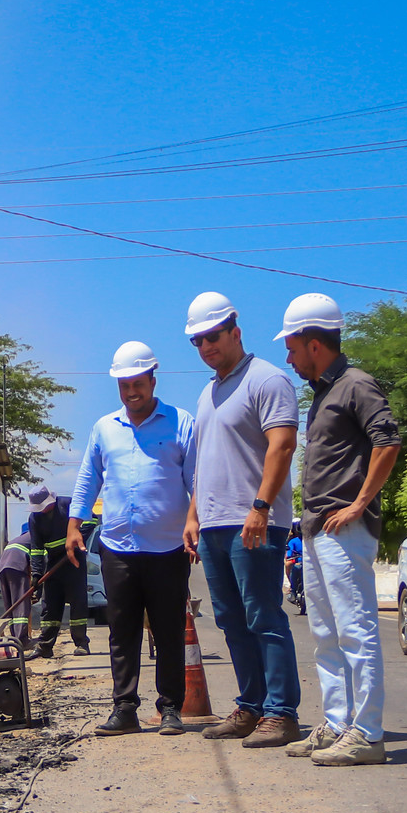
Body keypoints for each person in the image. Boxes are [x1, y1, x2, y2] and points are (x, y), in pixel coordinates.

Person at [280, 294, 402, 767]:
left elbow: (387, 440)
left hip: (343, 528)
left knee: (356, 631)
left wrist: (360, 503)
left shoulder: (356, 385)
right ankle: (335, 724)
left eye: (292, 348)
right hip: (315, 529)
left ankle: (368, 734)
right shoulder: (325, 392)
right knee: (326, 632)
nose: (288, 359)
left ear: (314, 343)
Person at [180, 293, 305, 747]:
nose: (206, 346)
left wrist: (261, 507)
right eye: (197, 340)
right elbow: (204, 463)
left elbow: (283, 445)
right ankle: (251, 706)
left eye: (213, 336)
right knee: (231, 619)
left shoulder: (267, 379)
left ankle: (281, 712)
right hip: (214, 525)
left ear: (235, 330)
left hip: (254, 521)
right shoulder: (208, 392)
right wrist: (193, 517)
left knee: (264, 615)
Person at [67, 341, 196, 735]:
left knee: (168, 629)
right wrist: (75, 524)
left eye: (137, 384)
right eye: (124, 386)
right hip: (118, 548)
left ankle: (171, 707)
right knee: (121, 632)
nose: (131, 392)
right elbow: (89, 478)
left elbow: (199, 480)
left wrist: (194, 521)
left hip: (168, 548)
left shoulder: (181, 422)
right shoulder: (105, 428)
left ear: (152, 380)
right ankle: (124, 709)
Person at [27, 486, 91, 658]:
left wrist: (77, 537)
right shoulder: (35, 519)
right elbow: (36, 549)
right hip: (54, 563)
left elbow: (91, 520)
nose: (43, 510)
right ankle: (45, 646)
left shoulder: (67, 504)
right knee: (50, 606)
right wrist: (36, 574)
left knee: (78, 602)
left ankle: (81, 643)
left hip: (74, 560)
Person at [0, 527, 36, 643]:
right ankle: (22, 640)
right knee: (21, 604)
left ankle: (14, 636)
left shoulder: (20, 539)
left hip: (3, 567)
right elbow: (39, 562)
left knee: (11, 604)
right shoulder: (37, 538)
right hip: (17, 566)